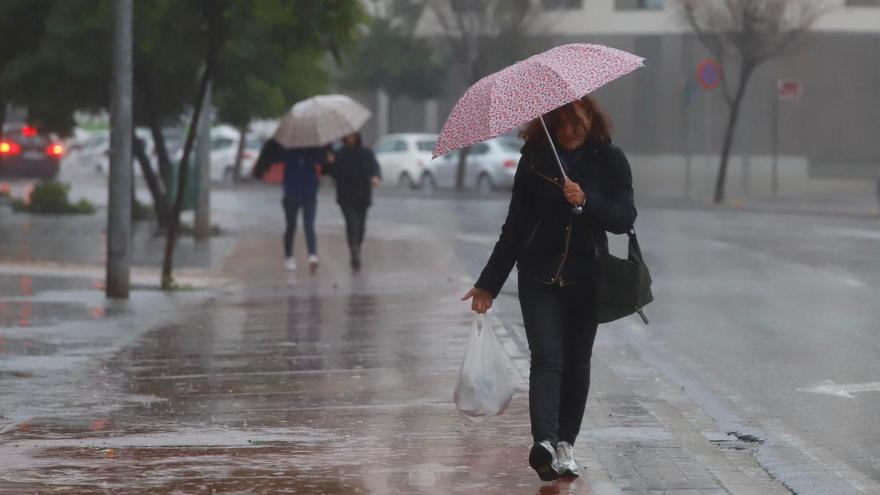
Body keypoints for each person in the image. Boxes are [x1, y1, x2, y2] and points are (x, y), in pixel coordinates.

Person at [461, 96, 637, 481]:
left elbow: (624, 218)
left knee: (577, 363)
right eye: (561, 124)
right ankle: (543, 442)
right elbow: (514, 228)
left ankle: (565, 445)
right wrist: (488, 284)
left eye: (577, 121)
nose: (570, 130)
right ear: (548, 127)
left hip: (587, 278)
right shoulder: (535, 161)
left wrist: (586, 201)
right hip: (538, 276)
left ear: (592, 119)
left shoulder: (611, 159)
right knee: (547, 357)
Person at [253, 138, 324, 271]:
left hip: (309, 193)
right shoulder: (287, 149)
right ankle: (289, 255)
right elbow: (274, 158)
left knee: (309, 225)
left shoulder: (313, 149)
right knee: (291, 226)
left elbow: (322, 160)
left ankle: (312, 255)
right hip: (291, 193)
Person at [322, 132, 381, 269]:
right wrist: (329, 162)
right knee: (352, 223)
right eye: (348, 137)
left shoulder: (366, 152)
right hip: (346, 196)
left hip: (363, 195)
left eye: (353, 136)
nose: (351, 139)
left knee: (361, 227)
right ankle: (353, 250)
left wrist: (376, 176)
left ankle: (357, 246)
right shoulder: (339, 154)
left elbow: (374, 167)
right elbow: (329, 172)